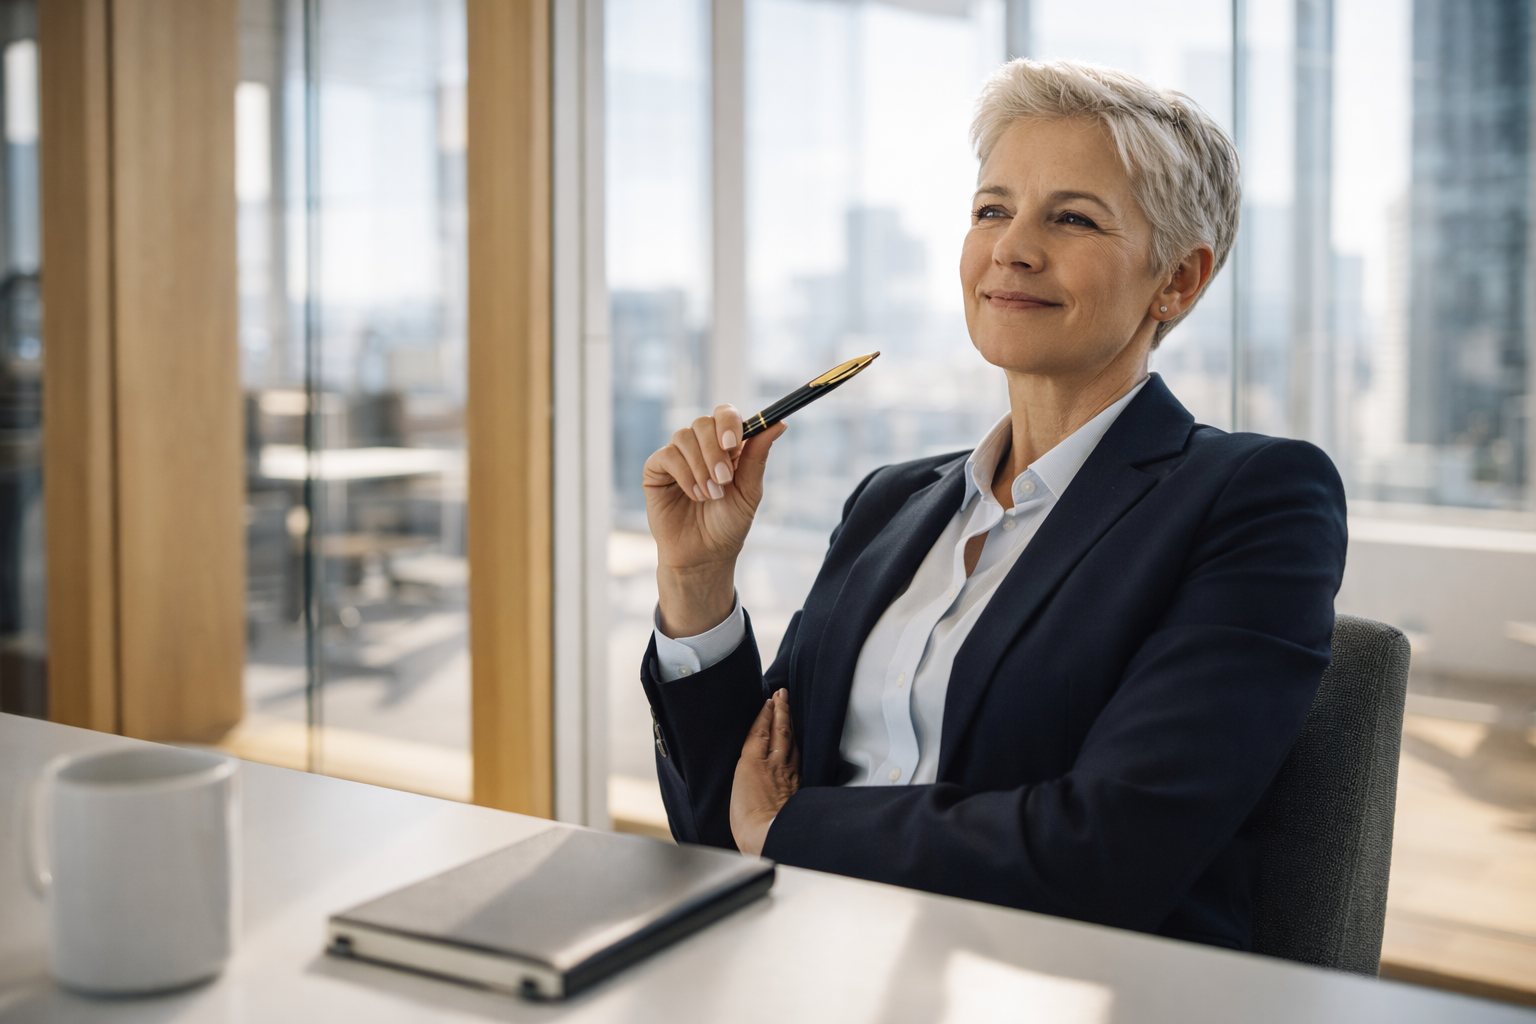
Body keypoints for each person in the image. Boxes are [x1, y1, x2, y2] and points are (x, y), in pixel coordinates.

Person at [637, 58, 1346, 952]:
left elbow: (1107, 852)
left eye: (1073, 217)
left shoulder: (1254, 499)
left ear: (1178, 280)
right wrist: (696, 581)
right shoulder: (890, 500)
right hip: (804, 963)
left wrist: (790, 834)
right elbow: (722, 819)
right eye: (991, 209)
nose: (1011, 246)